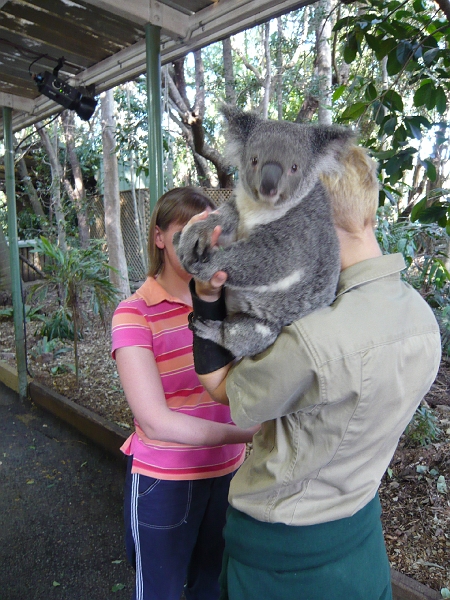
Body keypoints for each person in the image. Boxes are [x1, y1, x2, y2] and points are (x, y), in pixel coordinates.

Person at [186, 146, 442, 600]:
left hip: (282, 559)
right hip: (361, 538)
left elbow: (219, 385)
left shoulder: (314, 341)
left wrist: (205, 296)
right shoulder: (422, 320)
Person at [111, 187, 257, 600]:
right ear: (160, 237)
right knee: (160, 591)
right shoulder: (135, 313)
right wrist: (248, 432)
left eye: (209, 230)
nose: (202, 240)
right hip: (166, 480)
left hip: (230, 474)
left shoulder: (227, 302)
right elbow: (156, 421)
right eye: (186, 231)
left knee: (213, 587)